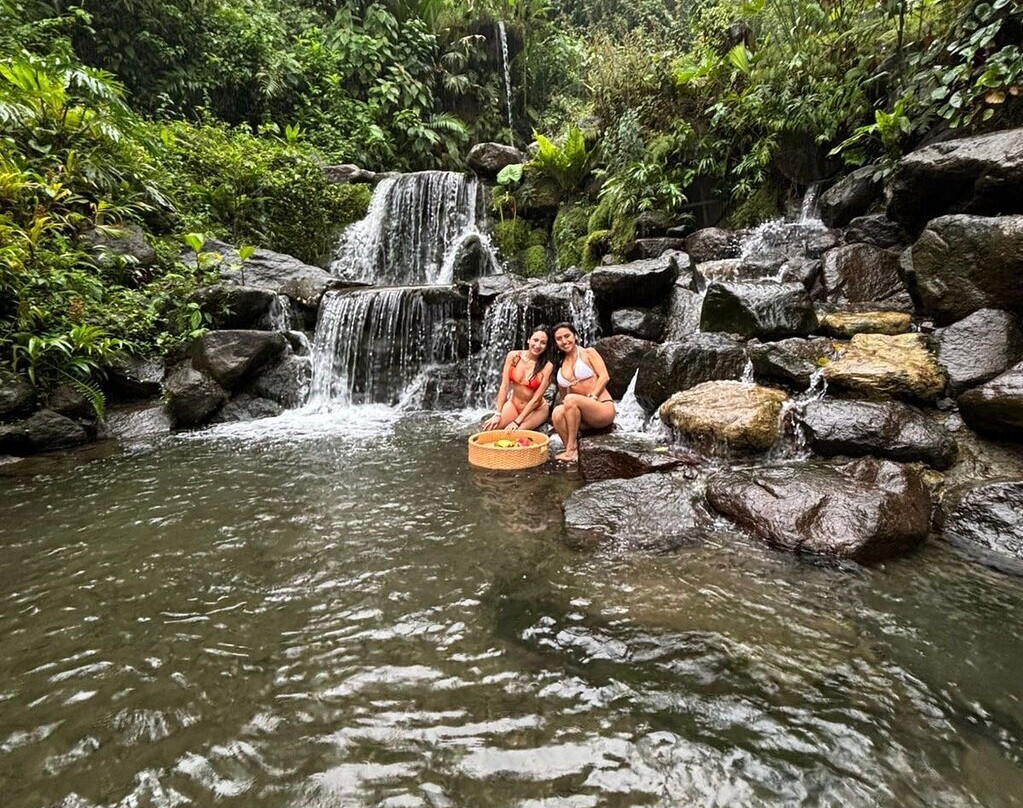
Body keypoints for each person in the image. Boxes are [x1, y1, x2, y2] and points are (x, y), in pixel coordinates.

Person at [550, 322, 615, 462]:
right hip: (582, 416)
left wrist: (593, 396)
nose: (564, 341)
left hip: (602, 408)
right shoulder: (561, 365)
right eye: (559, 339)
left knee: (571, 399)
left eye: (567, 336)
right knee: (557, 412)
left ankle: (570, 450)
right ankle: (573, 450)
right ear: (556, 343)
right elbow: (563, 397)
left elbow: (604, 376)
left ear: (576, 336)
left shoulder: (588, 353)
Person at [481, 326, 554, 432]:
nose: (538, 345)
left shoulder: (547, 367)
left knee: (513, 434)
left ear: (546, 346)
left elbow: (536, 399)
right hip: (513, 405)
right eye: (535, 340)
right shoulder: (514, 356)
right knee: (489, 429)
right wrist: (498, 413)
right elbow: (504, 386)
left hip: (536, 410)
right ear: (529, 339)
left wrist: (517, 422)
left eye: (543, 343)